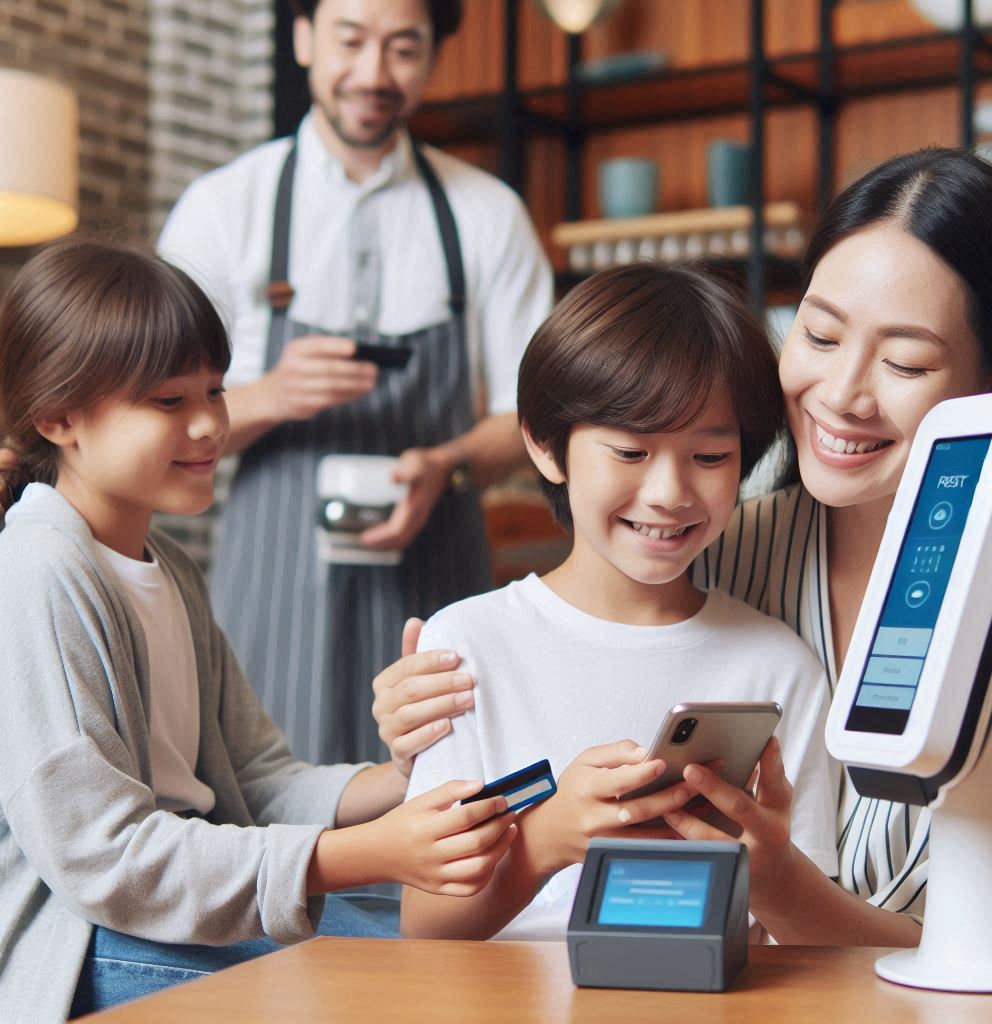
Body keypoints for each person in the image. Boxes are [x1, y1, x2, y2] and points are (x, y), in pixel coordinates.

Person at [0, 239, 519, 1021]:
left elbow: (256, 781)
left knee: (459, 951)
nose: (211, 424)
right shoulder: (39, 571)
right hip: (77, 944)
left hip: (165, 916)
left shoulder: (166, 566)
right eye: (170, 402)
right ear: (58, 417)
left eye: (214, 391)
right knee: (416, 979)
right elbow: (102, 859)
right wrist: (358, 856)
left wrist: (404, 776)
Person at [157, 0, 553, 766]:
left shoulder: (488, 216)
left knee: (437, 803)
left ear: (433, 56)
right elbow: (152, 422)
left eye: (403, 48)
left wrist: (449, 465)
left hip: (434, 585)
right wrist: (270, 394)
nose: (373, 74)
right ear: (303, 39)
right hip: (271, 592)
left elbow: (531, 420)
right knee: (264, 803)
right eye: (351, 41)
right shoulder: (223, 208)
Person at [400, 263, 840, 941]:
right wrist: (545, 841)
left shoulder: (779, 669)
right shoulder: (468, 646)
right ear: (545, 446)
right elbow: (427, 926)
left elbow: (810, 944)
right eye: (631, 451)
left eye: (711, 457)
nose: (669, 491)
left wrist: (768, 876)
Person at [663, 147, 992, 945]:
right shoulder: (713, 550)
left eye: (904, 361)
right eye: (819, 336)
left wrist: (791, 896)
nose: (842, 396)